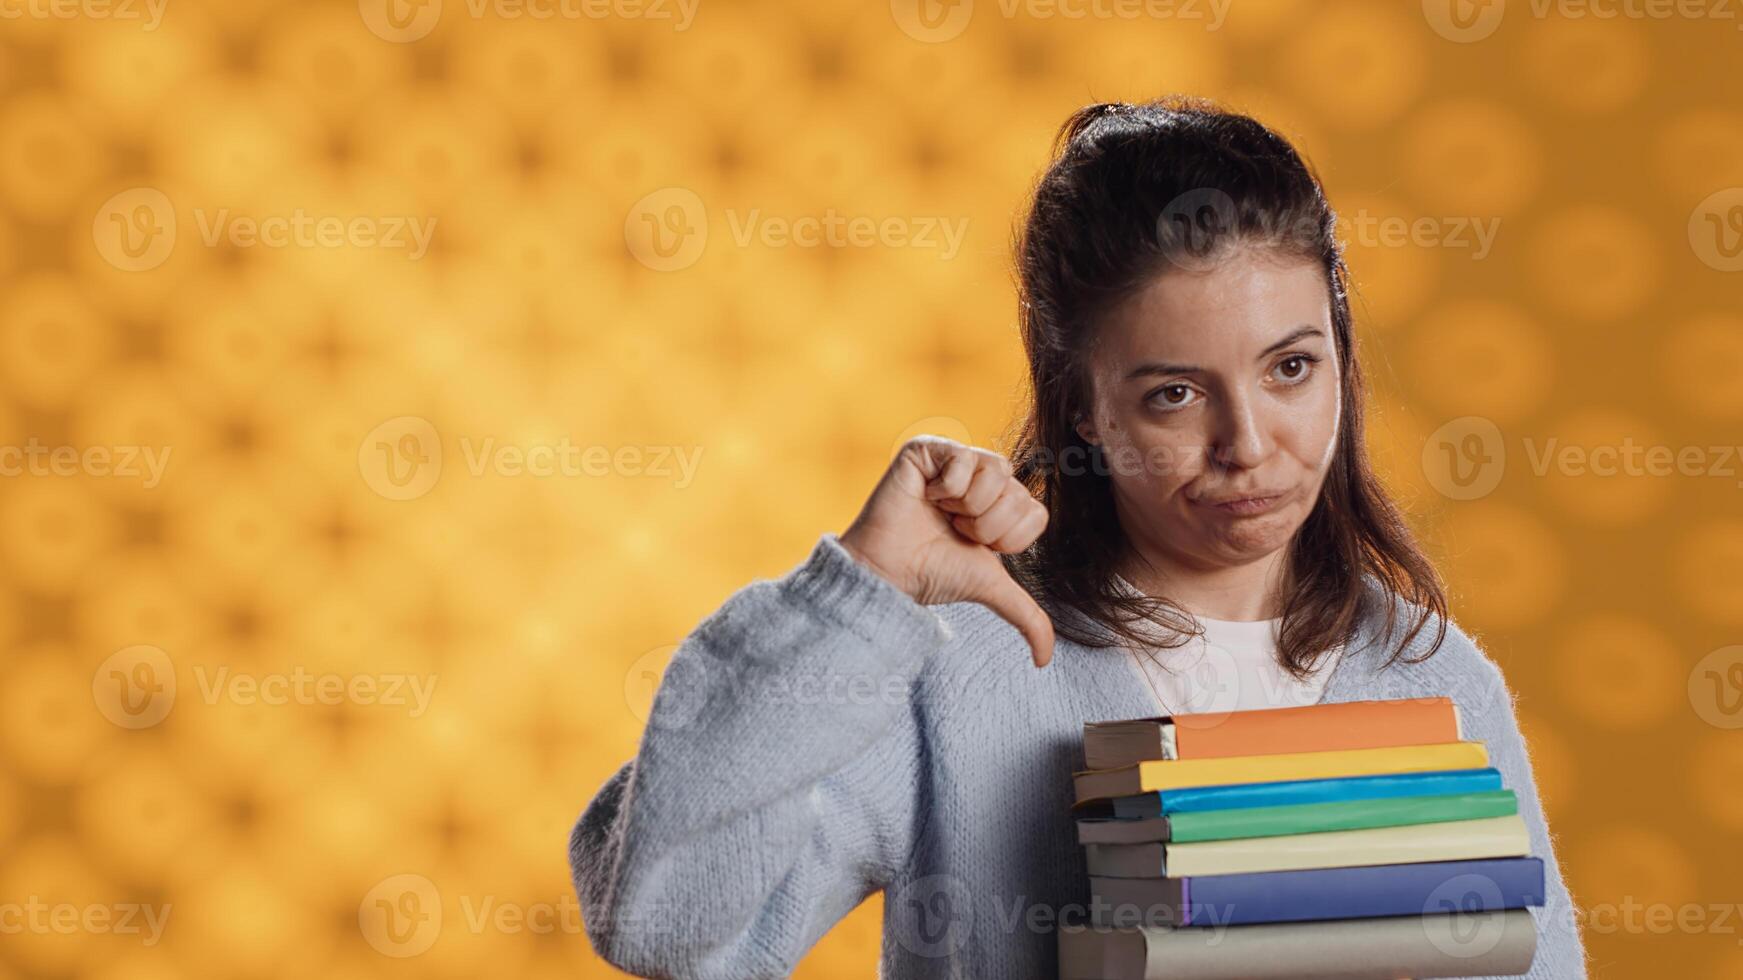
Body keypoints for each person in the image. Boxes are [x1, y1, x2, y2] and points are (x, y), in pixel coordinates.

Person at [569, 96, 1587, 979]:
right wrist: (856, 595)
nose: (1249, 446)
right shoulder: (960, 671)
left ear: (1342, 356)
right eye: (1174, 393)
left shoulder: (1439, 682)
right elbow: (669, 927)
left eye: (1291, 368)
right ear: (1084, 407)